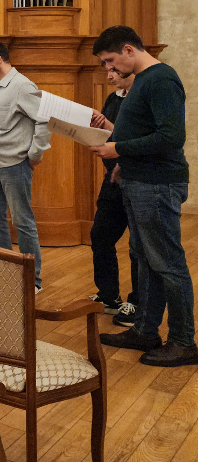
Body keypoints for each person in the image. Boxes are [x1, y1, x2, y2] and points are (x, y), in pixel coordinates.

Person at [92, 26, 195, 367]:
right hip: (139, 179)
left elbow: (170, 137)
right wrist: (125, 162)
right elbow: (145, 131)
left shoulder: (160, 79)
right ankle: (145, 331)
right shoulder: (143, 79)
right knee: (145, 259)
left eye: (111, 60)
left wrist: (117, 148)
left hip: (157, 184)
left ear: (128, 50)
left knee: (168, 263)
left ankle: (183, 341)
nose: (111, 69)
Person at [0, 42, 50, 291]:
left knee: (23, 222)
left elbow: (43, 119)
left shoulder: (22, 86)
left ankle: (33, 280)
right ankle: (8, 273)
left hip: (15, 163)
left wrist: (35, 154)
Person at [87, 68, 138, 324]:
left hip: (135, 176)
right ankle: (109, 296)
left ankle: (137, 304)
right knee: (100, 234)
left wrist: (106, 125)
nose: (108, 74)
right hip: (113, 179)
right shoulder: (113, 98)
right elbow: (111, 135)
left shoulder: (140, 96)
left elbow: (133, 138)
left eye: (112, 67)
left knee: (137, 247)